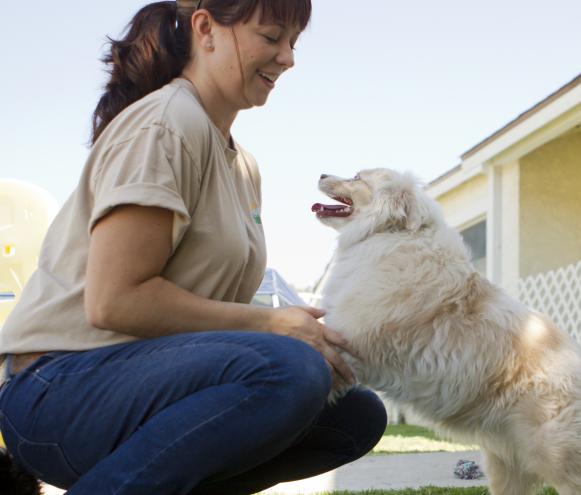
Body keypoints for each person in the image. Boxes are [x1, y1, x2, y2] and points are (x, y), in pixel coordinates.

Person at [0, 1, 387, 494]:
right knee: (289, 371)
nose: (288, 58)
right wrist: (269, 323)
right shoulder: (165, 124)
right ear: (206, 29)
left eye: (293, 42)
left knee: (351, 415)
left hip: (139, 384)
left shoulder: (242, 164)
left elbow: (203, 313)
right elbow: (115, 299)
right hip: (56, 389)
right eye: (272, 37)